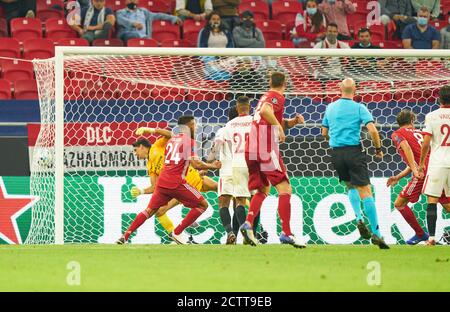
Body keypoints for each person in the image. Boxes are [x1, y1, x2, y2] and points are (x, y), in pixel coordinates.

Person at [117, 124, 219, 245]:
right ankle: (180, 231)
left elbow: (171, 135)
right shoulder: (150, 165)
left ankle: (180, 231)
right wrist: (142, 191)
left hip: (186, 178)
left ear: (142, 147)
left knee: (221, 189)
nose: (135, 153)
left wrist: (150, 130)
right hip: (176, 184)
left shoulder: (158, 145)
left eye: (135, 150)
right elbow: (154, 187)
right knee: (160, 211)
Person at [240, 72, 306, 248]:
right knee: (284, 188)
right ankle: (286, 233)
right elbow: (266, 111)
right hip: (265, 148)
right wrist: (278, 128)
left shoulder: (264, 96)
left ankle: (248, 224)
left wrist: (291, 123)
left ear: (270, 81)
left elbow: (268, 117)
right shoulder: (276, 96)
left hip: (251, 149)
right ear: (285, 83)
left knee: (262, 189)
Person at [321, 78, 389, 249]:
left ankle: (358, 218)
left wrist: (334, 138)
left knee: (351, 187)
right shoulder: (359, 107)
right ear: (355, 90)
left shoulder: (330, 107)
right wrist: (378, 148)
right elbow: (372, 130)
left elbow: (324, 132)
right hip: (353, 152)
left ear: (339, 89)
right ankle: (377, 233)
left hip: (336, 153)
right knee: (366, 191)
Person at [209, 96, 254, 244]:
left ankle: (230, 233)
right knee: (240, 202)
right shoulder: (252, 123)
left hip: (226, 169)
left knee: (223, 204)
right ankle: (245, 232)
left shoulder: (226, 128)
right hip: (244, 165)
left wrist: (210, 159)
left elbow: (216, 146)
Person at [386, 110, 430, 244]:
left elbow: (406, 148)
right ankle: (421, 234)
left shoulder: (397, 134)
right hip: (435, 168)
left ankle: (421, 234)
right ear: (412, 120)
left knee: (400, 203)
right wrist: (398, 176)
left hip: (422, 172)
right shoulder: (421, 133)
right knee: (445, 203)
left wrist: (416, 170)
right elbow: (417, 158)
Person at [418, 85, 450, 245]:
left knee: (432, 200)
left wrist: (422, 163)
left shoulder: (432, 116)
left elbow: (425, 143)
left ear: (439, 99)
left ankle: (431, 238)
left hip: (438, 162)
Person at [116, 0, 181, 44]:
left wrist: (173, 18)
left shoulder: (144, 12)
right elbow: (120, 20)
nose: (132, 1)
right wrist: (133, 24)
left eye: (134, 0)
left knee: (153, 43)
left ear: (137, 1)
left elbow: (159, 15)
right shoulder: (120, 12)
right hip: (127, 35)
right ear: (126, 2)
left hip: (145, 37)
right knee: (135, 35)